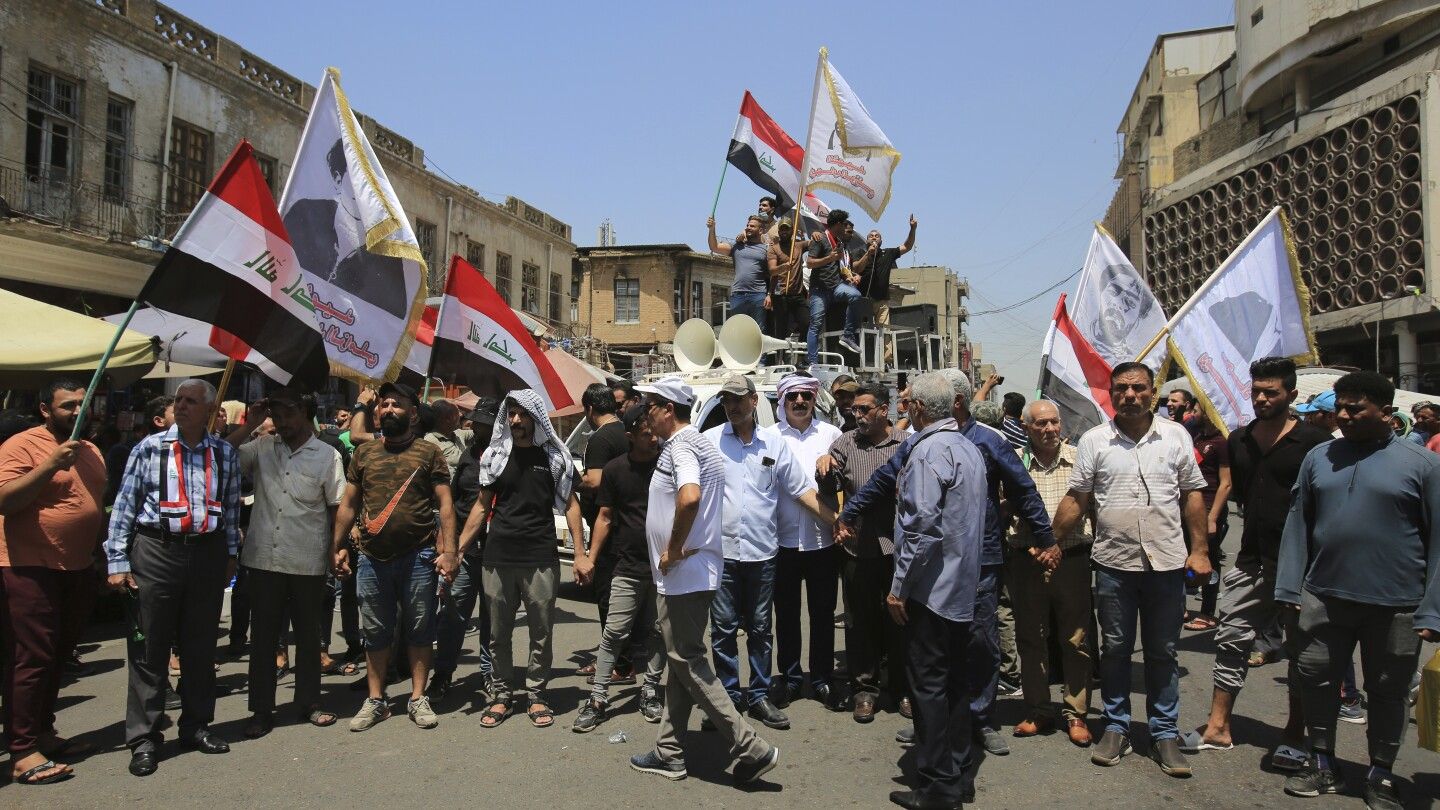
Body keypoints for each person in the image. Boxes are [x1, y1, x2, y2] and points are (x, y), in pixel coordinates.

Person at [837, 369, 1061, 753]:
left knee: (979, 641)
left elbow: (1023, 489)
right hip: (933, 563)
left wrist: (1046, 537)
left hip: (980, 558)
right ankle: (934, 721)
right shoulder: (921, 443)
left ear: (953, 402)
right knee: (934, 646)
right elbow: (883, 479)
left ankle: (979, 718)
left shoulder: (987, 442)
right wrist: (849, 512)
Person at [1275, 371, 1440, 808]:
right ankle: (1323, 764)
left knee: (1388, 690)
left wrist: (1433, 609)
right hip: (1323, 597)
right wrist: (1290, 588)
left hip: (1396, 605)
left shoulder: (1423, 464)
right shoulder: (1319, 457)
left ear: (1386, 412)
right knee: (1316, 680)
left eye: (1355, 408)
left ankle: (1381, 773)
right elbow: (1299, 524)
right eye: (1340, 407)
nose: (1343, 415)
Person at [1052, 362, 1211, 777]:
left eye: (1138, 388)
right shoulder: (1094, 440)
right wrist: (1049, 542)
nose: (1130, 395)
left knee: (1163, 652)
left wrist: (1200, 551)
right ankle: (1117, 727)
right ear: (1112, 393)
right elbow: (1077, 497)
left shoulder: (1176, 436)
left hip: (1167, 564)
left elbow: (1193, 496)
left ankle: (1163, 733)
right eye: (1121, 388)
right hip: (1114, 565)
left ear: (1152, 392)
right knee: (1116, 652)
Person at [627, 376, 780, 785]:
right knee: (681, 662)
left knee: (688, 661)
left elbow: (689, 496)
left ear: (667, 410)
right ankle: (670, 750)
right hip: (693, 573)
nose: (646, 415)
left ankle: (750, 746)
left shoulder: (683, 447)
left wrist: (674, 548)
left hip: (683, 573)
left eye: (651, 406)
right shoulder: (698, 444)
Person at [1182, 357, 1330, 771]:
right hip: (1252, 561)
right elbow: (1237, 489)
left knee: (1302, 652)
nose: (1262, 398)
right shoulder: (1240, 439)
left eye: (1272, 392)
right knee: (1231, 640)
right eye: (1257, 391)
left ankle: (1295, 735)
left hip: (1303, 566)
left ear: (1292, 395)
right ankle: (1218, 726)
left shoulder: (1316, 441)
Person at [106, 379, 241, 777]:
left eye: (190, 401)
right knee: (150, 646)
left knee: (200, 646)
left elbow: (231, 508)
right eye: (178, 400)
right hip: (156, 551)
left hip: (207, 552)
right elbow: (125, 504)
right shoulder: (150, 448)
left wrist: (230, 554)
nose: (180, 406)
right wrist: (117, 561)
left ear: (209, 410)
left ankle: (196, 726)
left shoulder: (225, 453)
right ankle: (145, 738)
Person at [702, 374, 834, 730]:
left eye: (737, 399)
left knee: (761, 628)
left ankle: (758, 695)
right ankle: (729, 698)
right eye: (726, 400)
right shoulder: (709, 442)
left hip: (763, 554)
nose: (731, 406)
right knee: (724, 629)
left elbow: (802, 491)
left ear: (753, 403)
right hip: (723, 553)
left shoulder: (773, 445)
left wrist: (836, 522)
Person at [885, 372, 988, 810]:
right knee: (953, 686)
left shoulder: (928, 451)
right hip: (961, 590)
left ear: (921, 409)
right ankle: (958, 773)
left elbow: (922, 530)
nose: (904, 407)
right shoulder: (969, 447)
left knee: (928, 688)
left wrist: (898, 589)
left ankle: (938, 786)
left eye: (908, 402)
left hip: (931, 593)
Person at [332, 381, 458, 733]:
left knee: (420, 629)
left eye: (396, 405)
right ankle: (376, 700)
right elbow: (349, 504)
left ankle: (417, 698)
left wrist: (449, 551)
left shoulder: (428, 453)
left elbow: (445, 505)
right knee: (375, 632)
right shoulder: (364, 454)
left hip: (418, 557)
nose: (387, 410)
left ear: (414, 413)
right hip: (372, 559)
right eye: (384, 405)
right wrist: (337, 546)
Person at [0, 380, 106, 784]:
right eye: (68, 406)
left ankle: (43, 732)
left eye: (83, 403)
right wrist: (49, 465)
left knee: (59, 653)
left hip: (76, 568)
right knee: (32, 657)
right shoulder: (22, 445)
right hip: (28, 566)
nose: (78, 411)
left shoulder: (91, 450)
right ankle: (23, 750)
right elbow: (6, 500)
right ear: (46, 410)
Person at [225, 388, 345, 738]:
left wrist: (335, 550)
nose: (282, 422)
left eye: (288, 414)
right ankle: (261, 710)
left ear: (306, 414)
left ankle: (309, 702)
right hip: (263, 559)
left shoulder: (326, 455)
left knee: (309, 637)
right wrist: (250, 424)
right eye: (276, 415)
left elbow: (337, 507)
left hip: (307, 560)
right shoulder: (261, 448)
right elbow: (220, 456)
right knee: (262, 639)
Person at [466, 389, 582, 729]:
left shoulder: (554, 457)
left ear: (535, 418)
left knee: (540, 632)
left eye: (523, 414)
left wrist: (581, 553)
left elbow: (571, 504)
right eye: (512, 414)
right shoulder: (496, 456)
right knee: (498, 634)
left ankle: (535, 695)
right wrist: (456, 549)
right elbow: (480, 506)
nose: (516, 421)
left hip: (540, 557)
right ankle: (502, 695)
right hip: (498, 556)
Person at [1004, 399, 1096, 747]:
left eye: (1054, 422)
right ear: (1026, 427)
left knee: (1075, 640)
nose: (1049, 430)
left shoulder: (1079, 460)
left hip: (1070, 560)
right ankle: (1038, 710)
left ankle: (1076, 713)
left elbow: (1089, 506)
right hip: (1027, 561)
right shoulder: (1013, 460)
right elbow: (1004, 505)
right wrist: (1032, 546)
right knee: (1031, 639)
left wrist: (1053, 546)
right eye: (1040, 424)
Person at [572, 405, 667, 732]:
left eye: (655, 430)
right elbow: (605, 516)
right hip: (627, 564)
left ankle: (650, 689)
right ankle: (597, 698)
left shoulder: (668, 464)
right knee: (615, 631)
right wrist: (589, 558)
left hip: (665, 566)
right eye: (646, 433)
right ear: (629, 436)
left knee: (658, 631)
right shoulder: (615, 470)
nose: (654, 437)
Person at [821, 382, 908, 723]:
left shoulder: (906, 445)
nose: (856, 415)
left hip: (898, 550)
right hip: (857, 550)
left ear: (884, 410)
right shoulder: (844, 444)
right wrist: (824, 468)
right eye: (854, 410)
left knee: (899, 621)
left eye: (864, 409)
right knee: (859, 623)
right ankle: (865, 690)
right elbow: (831, 488)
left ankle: (902, 689)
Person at [773, 373, 844, 709]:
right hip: (780, 542)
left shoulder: (832, 435)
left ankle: (821, 678)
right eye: (793, 396)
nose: (799, 401)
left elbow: (845, 484)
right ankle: (788, 678)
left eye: (805, 396)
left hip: (823, 542)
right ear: (782, 401)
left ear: (815, 399)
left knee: (823, 612)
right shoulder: (769, 438)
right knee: (785, 614)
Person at [429, 397, 499, 701]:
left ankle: (489, 673)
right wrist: (445, 545)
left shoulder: (508, 457)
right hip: (464, 554)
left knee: (492, 618)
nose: (477, 426)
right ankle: (442, 674)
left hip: (498, 555)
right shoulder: (469, 456)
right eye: (476, 420)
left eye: (485, 421)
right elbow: (453, 505)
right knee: (453, 615)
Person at [576, 383, 630, 680]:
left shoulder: (599, 439)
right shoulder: (627, 432)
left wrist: (572, 480)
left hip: (607, 531)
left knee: (608, 598)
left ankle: (617, 664)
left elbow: (595, 481)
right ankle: (624, 658)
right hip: (628, 526)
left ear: (590, 409)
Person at [1183, 415, 1231, 632]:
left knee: (1209, 561)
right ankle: (1184, 600)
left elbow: (1226, 484)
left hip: (1210, 508)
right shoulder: (1196, 436)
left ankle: (1208, 611)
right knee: (1186, 558)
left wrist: (1212, 518)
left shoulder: (1222, 442)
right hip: (1190, 506)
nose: (1195, 412)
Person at [805, 209, 866, 361]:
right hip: (819, 290)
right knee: (815, 325)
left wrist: (850, 275)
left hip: (836, 287)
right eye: (844, 224)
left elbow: (842, 266)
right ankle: (813, 362)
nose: (845, 228)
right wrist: (829, 258)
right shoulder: (820, 239)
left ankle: (848, 335)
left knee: (855, 295)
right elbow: (810, 263)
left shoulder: (840, 243)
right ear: (838, 224)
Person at [852, 216, 916, 333]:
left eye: (877, 236)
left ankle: (887, 352)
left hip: (881, 301)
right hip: (863, 299)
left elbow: (907, 246)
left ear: (881, 241)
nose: (874, 238)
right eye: (871, 236)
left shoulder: (887, 253)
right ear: (867, 241)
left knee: (885, 333)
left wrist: (913, 228)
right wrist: (868, 254)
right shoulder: (859, 252)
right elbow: (856, 268)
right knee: (863, 332)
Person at [708, 214, 771, 329]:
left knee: (758, 332)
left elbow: (773, 273)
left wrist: (769, 295)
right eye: (747, 225)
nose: (748, 227)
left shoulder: (766, 249)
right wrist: (712, 229)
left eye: (752, 226)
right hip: (738, 295)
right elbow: (714, 247)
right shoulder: (736, 246)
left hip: (758, 295)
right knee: (738, 331)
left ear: (761, 230)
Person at [767, 221, 809, 344]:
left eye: (787, 229)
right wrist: (783, 267)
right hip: (781, 295)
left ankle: (800, 356)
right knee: (781, 330)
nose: (784, 232)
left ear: (792, 231)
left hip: (798, 294)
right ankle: (780, 359)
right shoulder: (773, 248)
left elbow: (814, 242)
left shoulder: (799, 245)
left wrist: (816, 233)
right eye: (782, 229)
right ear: (779, 231)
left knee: (806, 322)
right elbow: (772, 271)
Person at [423, 399, 473, 469]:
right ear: (448, 419)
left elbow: (479, 433)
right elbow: (459, 460)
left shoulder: (457, 433)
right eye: (457, 411)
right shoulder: (431, 440)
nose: (461, 415)